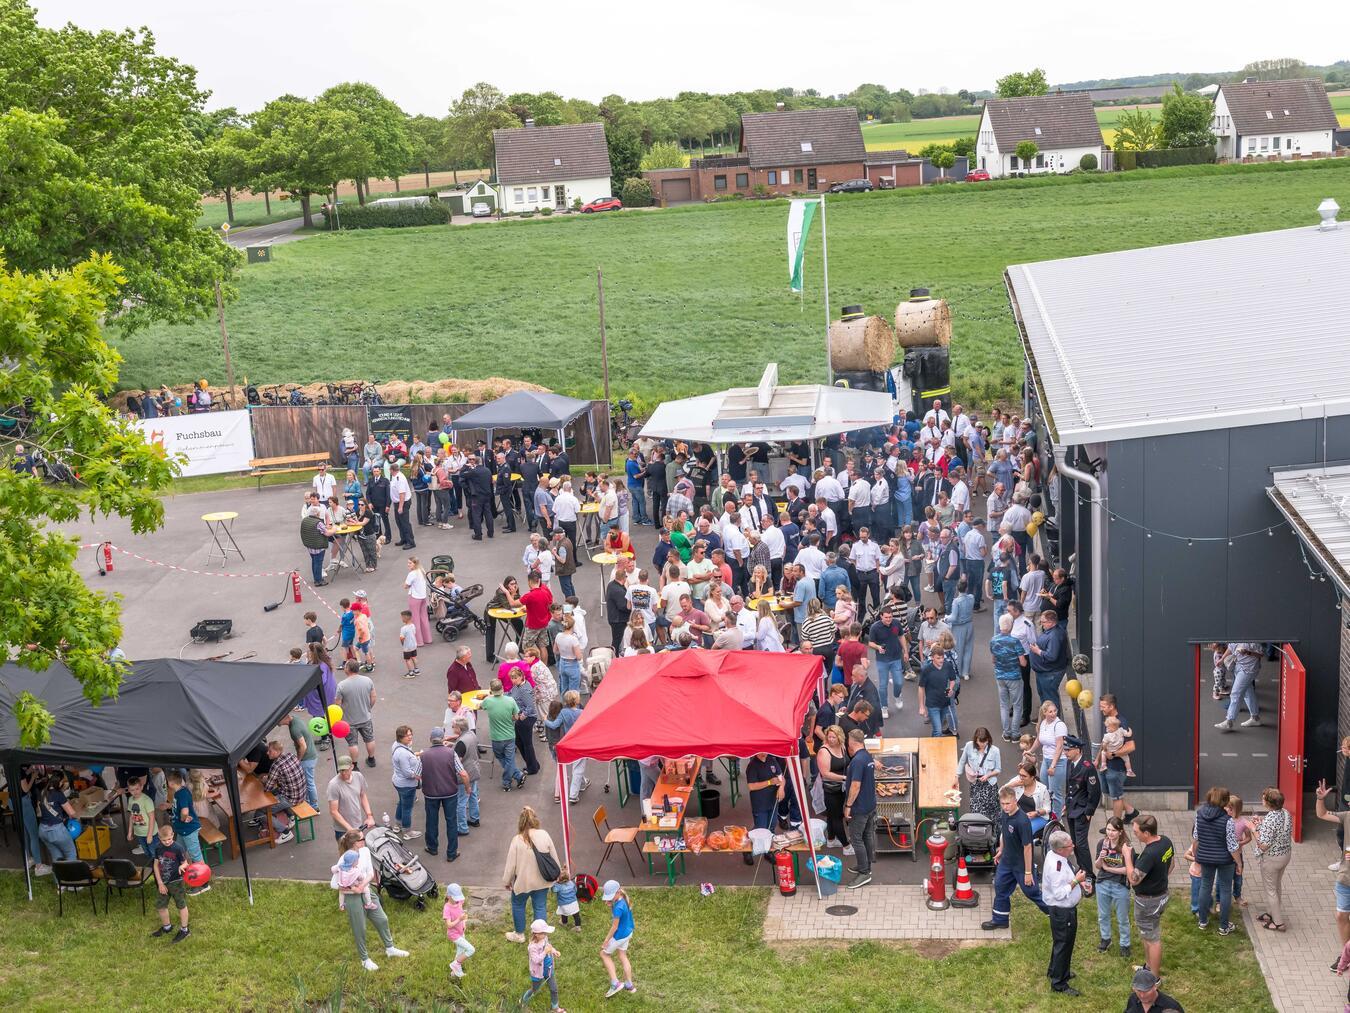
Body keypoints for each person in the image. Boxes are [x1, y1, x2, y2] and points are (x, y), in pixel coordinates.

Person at [333, 828, 410, 971]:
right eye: (362, 839)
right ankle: (364, 959)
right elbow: (336, 884)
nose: (364, 841)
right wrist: (354, 890)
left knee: (382, 919)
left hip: (366, 891)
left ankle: (390, 949)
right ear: (355, 843)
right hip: (352, 897)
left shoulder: (365, 852)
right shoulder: (344, 859)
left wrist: (362, 886)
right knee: (360, 928)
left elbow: (370, 873)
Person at [982, 785, 1049, 930]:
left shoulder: (1022, 821)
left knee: (1031, 893)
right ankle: (1000, 920)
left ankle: (1056, 914)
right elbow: (1004, 834)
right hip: (1006, 861)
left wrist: (1028, 872)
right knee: (1000, 887)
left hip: (1021, 865)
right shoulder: (1005, 814)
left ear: (1015, 801)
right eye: (1003, 804)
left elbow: (1028, 847)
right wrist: (1001, 850)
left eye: (1008, 804)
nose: (1005, 807)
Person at [1123, 814, 1174, 977]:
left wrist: (1126, 856)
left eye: (1136, 831)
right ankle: (1148, 967)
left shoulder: (1149, 854)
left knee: (1152, 940)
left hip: (1148, 903)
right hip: (1162, 895)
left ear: (1146, 833)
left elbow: (1133, 879)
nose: (1135, 834)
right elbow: (1171, 864)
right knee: (1147, 935)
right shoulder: (1166, 841)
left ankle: (1154, 978)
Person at [502, 806, 563, 942]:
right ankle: (539, 936)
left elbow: (510, 865)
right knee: (540, 906)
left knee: (518, 905)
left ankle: (519, 934)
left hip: (522, 882)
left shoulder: (517, 840)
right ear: (535, 819)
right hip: (542, 880)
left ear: (521, 822)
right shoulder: (544, 834)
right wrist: (558, 872)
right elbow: (553, 856)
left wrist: (506, 881)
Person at [1189, 785, 1239, 934]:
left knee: (1205, 886)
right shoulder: (1227, 820)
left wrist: (1197, 856)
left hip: (1205, 857)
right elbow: (1232, 846)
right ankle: (1224, 926)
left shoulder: (1199, 814)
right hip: (1225, 860)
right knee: (1224, 889)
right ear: (1224, 801)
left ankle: (1202, 921)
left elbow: (1196, 838)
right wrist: (1239, 862)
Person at [1042, 829, 1086, 996]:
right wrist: (1076, 881)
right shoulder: (1057, 867)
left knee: (1060, 942)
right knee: (1064, 944)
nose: (1073, 846)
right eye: (1069, 845)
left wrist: (1078, 883)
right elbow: (1060, 894)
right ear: (1060, 849)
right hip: (1063, 911)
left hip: (1060, 911)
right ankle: (1059, 983)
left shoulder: (1054, 855)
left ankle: (1056, 971)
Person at [1062, 735, 1100, 886]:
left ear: (1077, 750)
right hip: (1072, 808)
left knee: (1082, 843)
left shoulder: (1087, 767)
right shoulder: (1070, 763)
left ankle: (1089, 874)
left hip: (1082, 811)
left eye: (1068, 750)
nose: (1065, 752)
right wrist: (1067, 803)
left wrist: (1089, 812)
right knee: (1075, 843)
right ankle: (1081, 869)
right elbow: (1070, 787)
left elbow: (1095, 792)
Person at [1254, 786, 1292, 932]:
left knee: (1271, 890)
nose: (1261, 799)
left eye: (1263, 797)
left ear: (1268, 802)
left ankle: (1278, 923)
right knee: (1277, 886)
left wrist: (1253, 829)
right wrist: (1260, 825)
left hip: (1272, 859)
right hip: (1285, 855)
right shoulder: (1285, 813)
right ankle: (1271, 913)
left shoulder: (1270, 819)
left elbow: (1263, 845)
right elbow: (1275, 832)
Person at [843, 728, 878, 890]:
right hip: (870, 804)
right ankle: (866, 864)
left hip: (860, 807)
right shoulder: (866, 755)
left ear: (851, 742)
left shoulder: (857, 761)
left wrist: (848, 806)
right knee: (867, 835)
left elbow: (855, 786)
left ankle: (864, 873)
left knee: (856, 838)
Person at [1094, 816, 1132, 958]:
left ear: (1120, 832)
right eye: (1108, 829)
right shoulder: (1102, 844)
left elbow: (1127, 870)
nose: (1110, 833)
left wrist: (1108, 869)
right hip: (1102, 883)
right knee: (1103, 915)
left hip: (1120, 885)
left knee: (1122, 918)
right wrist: (1101, 858)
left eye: (1113, 830)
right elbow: (1098, 866)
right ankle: (1106, 939)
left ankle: (1125, 944)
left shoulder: (1126, 847)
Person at [150, 824, 192, 943]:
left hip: (177, 882)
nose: (167, 842)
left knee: (181, 905)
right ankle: (167, 927)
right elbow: (156, 865)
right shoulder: (158, 848)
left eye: (169, 839)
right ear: (159, 838)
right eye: (164, 840)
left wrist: (181, 866)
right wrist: (160, 883)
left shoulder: (178, 848)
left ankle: (185, 930)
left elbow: (186, 863)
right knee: (161, 906)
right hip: (164, 882)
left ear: (173, 835)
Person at [990, 614, 1028, 742]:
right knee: (1017, 706)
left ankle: (1006, 733)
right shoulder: (1015, 641)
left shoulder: (994, 640)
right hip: (1014, 677)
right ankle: (1015, 734)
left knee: (1004, 705)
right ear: (1011, 626)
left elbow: (993, 659)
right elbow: (1023, 663)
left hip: (1000, 676)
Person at [868, 604, 909, 720]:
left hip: (896, 657)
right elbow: (870, 643)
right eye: (886, 617)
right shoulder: (875, 627)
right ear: (881, 616)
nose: (889, 619)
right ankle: (884, 706)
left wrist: (905, 652)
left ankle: (897, 696)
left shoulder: (896, 623)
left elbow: (901, 637)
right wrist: (878, 647)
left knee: (899, 682)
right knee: (882, 685)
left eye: (890, 617)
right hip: (882, 661)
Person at [482, 679, 524, 791]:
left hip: (496, 737)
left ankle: (508, 781)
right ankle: (516, 776)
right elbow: (516, 717)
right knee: (509, 759)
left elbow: (481, 706)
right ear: (502, 689)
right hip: (510, 736)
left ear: (491, 690)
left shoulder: (488, 701)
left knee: (500, 757)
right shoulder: (510, 700)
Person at [338, 660, 379, 769]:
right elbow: (374, 697)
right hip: (365, 717)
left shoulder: (342, 685)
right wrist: (368, 708)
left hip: (349, 721)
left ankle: (355, 765)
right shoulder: (368, 680)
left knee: (352, 743)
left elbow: (337, 705)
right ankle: (371, 759)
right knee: (369, 739)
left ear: (348, 669)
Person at [1214, 642, 1263, 732]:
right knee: (1248, 693)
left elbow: (1260, 654)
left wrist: (1248, 652)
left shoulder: (1254, 639)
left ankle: (1229, 721)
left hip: (1249, 670)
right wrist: (1222, 660)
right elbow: (1231, 647)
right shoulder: (1238, 635)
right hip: (1239, 667)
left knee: (1236, 693)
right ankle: (1255, 718)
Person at [600, 879, 637, 998]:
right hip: (628, 932)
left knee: (604, 954)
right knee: (622, 955)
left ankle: (615, 983)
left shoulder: (618, 908)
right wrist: (611, 904)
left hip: (619, 936)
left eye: (611, 897)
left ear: (617, 892)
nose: (609, 899)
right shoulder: (624, 899)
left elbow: (614, 927)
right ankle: (629, 984)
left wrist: (606, 940)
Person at [816, 724, 851, 851]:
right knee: (837, 817)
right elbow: (825, 773)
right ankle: (846, 846)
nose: (831, 739)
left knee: (832, 815)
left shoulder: (842, 747)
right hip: (830, 789)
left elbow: (847, 762)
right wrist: (845, 778)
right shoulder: (823, 751)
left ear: (839, 738)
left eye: (834, 737)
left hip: (841, 788)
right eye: (829, 737)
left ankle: (831, 840)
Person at [328, 755, 375, 842]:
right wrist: (350, 829)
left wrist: (369, 816)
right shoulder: (333, 785)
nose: (344, 773)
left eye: (346, 770)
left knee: (360, 852)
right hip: (342, 830)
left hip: (358, 824)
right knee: (347, 854)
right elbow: (333, 811)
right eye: (341, 770)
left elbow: (363, 795)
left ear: (352, 767)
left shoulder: (358, 776)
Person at [960, 727, 1002, 823]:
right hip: (975, 783)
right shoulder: (969, 746)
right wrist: (956, 776)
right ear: (976, 740)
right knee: (976, 810)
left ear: (988, 739)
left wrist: (988, 775)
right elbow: (962, 761)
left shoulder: (995, 750)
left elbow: (998, 769)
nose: (982, 744)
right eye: (980, 742)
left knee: (992, 813)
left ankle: (992, 834)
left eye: (985, 742)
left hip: (990, 784)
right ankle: (978, 834)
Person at [1028, 609, 1068, 708]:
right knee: (1044, 697)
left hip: (1050, 673)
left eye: (1043, 622)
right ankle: (1045, 717)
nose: (1041, 624)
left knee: (1050, 699)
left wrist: (1037, 651)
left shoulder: (1054, 636)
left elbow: (1052, 656)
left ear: (1051, 622)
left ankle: (1052, 720)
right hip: (1044, 672)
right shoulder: (1051, 631)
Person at [521, 918, 563, 1011]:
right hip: (538, 972)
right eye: (543, 933)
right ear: (536, 934)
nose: (546, 934)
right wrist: (545, 952)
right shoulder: (532, 947)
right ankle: (523, 1001)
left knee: (554, 989)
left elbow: (549, 946)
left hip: (548, 969)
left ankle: (555, 1007)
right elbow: (536, 960)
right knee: (535, 989)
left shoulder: (544, 938)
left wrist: (554, 951)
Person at [451, 716, 483, 833]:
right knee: (473, 795)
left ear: (459, 728)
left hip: (465, 774)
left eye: (453, 726)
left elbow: (456, 760)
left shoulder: (460, 743)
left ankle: (462, 828)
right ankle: (475, 819)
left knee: (461, 801)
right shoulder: (471, 735)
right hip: (474, 770)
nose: (452, 728)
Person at [918, 645, 958, 738]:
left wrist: (951, 689)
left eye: (942, 657)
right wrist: (921, 706)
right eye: (938, 658)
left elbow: (953, 679)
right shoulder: (926, 670)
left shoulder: (948, 665)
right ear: (932, 658)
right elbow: (921, 688)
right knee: (938, 731)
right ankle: (936, 751)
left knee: (936, 729)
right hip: (932, 704)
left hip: (944, 703)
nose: (941, 660)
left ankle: (931, 746)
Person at [1037, 701, 1068, 814]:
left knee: (1055, 793)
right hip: (1046, 759)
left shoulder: (1059, 725)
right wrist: (1029, 751)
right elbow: (1038, 740)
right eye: (1050, 711)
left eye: (1055, 711)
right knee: (1044, 789)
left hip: (1058, 761)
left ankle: (1057, 819)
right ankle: (1048, 813)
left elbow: (1060, 746)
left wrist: (1053, 766)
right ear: (1044, 712)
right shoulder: (1043, 723)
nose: (1053, 713)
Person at [443, 882, 475, 979]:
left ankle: (454, 973)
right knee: (471, 949)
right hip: (454, 934)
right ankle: (456, 964)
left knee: (460, 953)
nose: (458, 900)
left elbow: (462, 912)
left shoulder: (459, 902)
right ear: (448, 896)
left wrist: (464, 921)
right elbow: (448, 925)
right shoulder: (447, 908)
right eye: (455, 897)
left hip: (461, 931)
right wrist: (459, 920)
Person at [125, 775, 157, 857]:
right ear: (128, 790)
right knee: (147, 852)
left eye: (137, 789)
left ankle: (158, 868)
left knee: (154, 853)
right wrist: (130, 832)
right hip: (139, 833)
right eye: (132, 790)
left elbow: (152, 818)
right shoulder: (130, 800)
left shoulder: (147, 800)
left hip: (151, 833)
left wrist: (149, 835)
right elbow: (131, 816)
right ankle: (152, 867)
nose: (135, 792)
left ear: (142, 787)